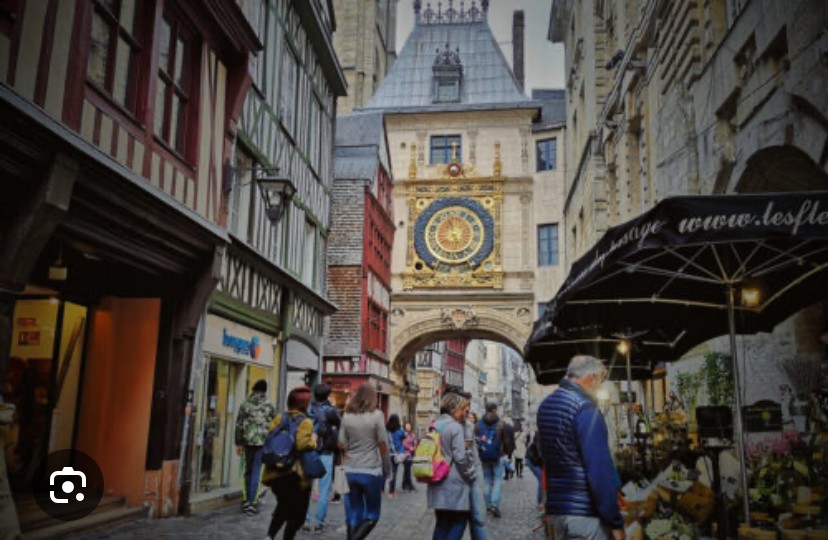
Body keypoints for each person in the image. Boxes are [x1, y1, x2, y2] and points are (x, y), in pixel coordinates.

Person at [537, 355, 625, 540]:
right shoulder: (585, 409)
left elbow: (546, 458)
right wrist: (615, 522)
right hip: (585, 513)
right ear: (591, 378)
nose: (600, 388)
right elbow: (599, 470)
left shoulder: (546, 406)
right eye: (600, 381)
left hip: (557, 510)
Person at [261, 386, 316, 540]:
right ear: (304, 405)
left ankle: (270, 536)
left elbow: (269, 437)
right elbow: (301, 444)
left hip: (275, 472)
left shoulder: (279, 417)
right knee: (297, 514)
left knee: (283, 506)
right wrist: (314, 441)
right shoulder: (305, 422)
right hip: (294, 473)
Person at [339, 383, 391, 540]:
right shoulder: (377, 415)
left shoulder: (347, 416)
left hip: (350, 470)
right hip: (370, 470)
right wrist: (387, 468)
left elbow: (341, 443)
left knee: (353, 513)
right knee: (372, 515)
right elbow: (382, 444)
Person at [429, 392, 476, 540]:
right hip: (454, 481)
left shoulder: (433, 425)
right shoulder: (455, 427)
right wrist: (469, 475)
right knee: (459, 520)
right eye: (462, 409)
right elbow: (460, 458)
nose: (464, 413)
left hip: (436, 478)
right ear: (454, 409)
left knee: (442, 522)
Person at [303, 383, 341, 532]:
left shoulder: (307, 410)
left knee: (306, 488)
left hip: (308, 452)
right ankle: (319, 522)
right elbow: (340, 427)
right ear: (327, 395)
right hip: (326, 453)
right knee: (324, 489)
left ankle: (305, 521)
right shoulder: (331, 411)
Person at [234, 379, 276, 515]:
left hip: (247, 442)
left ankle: (247, 500)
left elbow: (239, 424)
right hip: (262, 443)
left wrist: (238, 443)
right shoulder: (269, 405)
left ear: (253, 389)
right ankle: (253, 502)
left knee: (247, 470)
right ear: (264, 390)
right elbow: (275, 424)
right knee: (257, 472)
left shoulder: (245, 405)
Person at [475, 402, 513, 518]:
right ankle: (494, 505)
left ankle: (488, 505)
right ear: (495, 410)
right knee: (497, 480)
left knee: (486, 480)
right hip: (498, 455)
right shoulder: (500, 423)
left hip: (484, 455)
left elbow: (476, 439)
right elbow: (506, 441)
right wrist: (508, 453)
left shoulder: (479, 424)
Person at [465, 410, 489, 540]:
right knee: (477, 517)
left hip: (471, 471)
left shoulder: (471, 428)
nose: (469, 418)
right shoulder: (465, 427)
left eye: (471, 416)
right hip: (470, 473)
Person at [385, 414, 405, 498]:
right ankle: (391, 492)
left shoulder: (387, 431)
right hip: (397, 454)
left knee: (387, 472)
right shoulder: (399, 431)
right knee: (394, 472)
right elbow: (404, 436)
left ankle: (383, 490)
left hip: (389, 453)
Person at [525, 429, 545, 509]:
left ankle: (543, 502)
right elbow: (540, 451)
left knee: (544, 480)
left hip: (538, 460)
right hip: (533, 460)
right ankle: (540, 503)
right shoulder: (539, 433)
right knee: (542, 479)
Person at [401, 422, 418, 492]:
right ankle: (410, 484)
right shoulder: (403, 434)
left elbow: (415, 442)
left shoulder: (412, 434)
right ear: (404, 427)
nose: (408, 427)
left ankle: (404, 484)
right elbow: (403, 443)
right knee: (407, 470)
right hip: (405, 454)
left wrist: (414, 447)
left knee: (407, 469)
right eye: (407, 426)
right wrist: (410, 448)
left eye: (409, 426)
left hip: (411, 454)